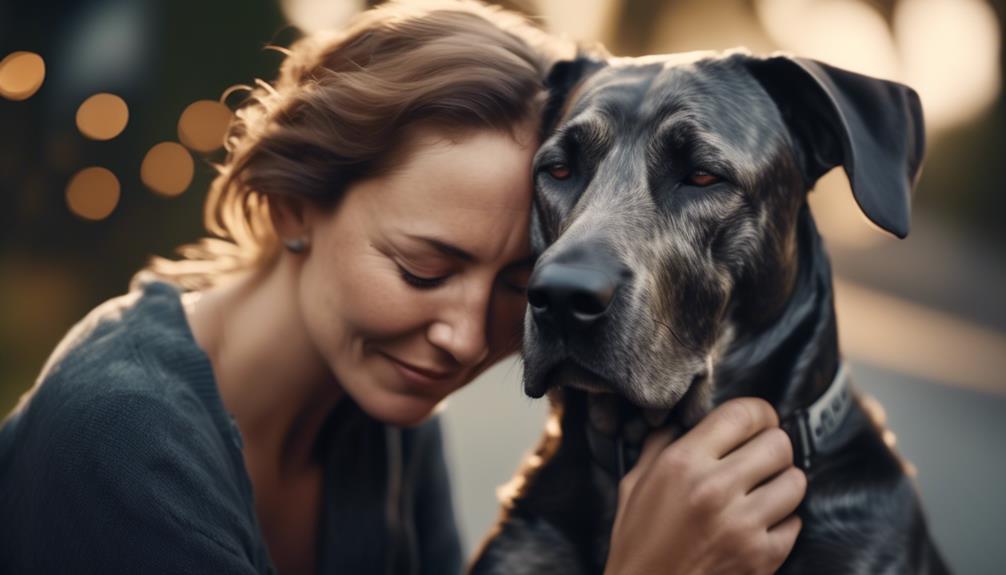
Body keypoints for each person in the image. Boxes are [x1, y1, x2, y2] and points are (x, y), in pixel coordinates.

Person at [0, 1, 805, 574]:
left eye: (516, 288)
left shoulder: (382, 409)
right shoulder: (118, 439)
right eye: (424, 269)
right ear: (293, 205)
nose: (461, 337)